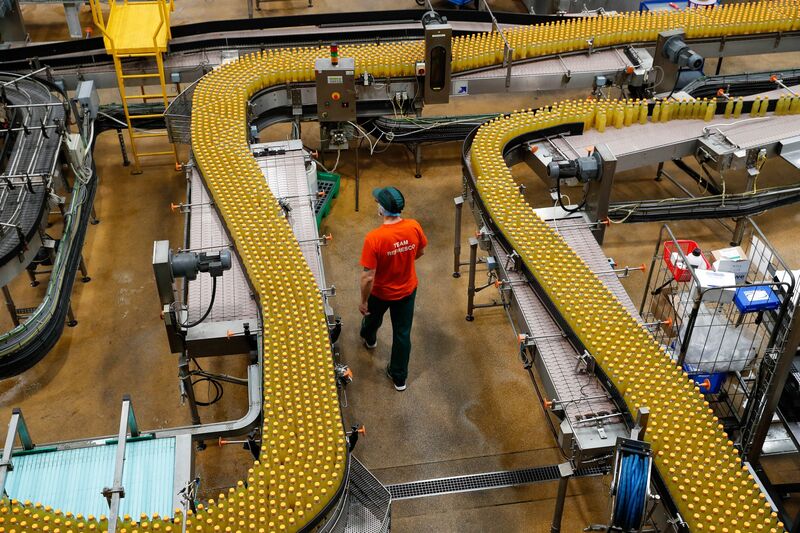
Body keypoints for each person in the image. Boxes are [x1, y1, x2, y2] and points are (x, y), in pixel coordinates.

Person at [359, 186, 427, 391]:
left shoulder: (374, 238)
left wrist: (363, 301)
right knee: (402, 334)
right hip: (407, 290)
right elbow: (420, 251)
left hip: (380, 292)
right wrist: (402, 261)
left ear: (382, 209)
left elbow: (368, 277)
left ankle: (369, 339)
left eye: (377, 202)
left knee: (371, 317)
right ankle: (399, 378)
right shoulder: (414, 226)